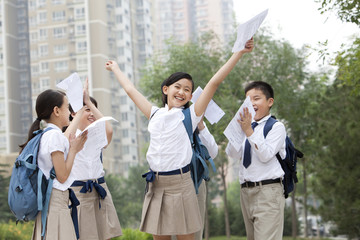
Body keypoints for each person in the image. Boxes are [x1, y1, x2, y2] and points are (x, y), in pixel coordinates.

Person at [105, 38, 254, 240]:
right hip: (156, 183)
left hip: (181, 183)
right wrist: (115, 69)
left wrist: (239, 53)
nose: (182, 91)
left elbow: (214, 82)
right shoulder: (154, 114)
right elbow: (131, 90)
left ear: (191, 96)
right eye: (178, 86)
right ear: (166, 89)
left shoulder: (190, 116)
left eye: (187, 89)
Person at [225, 81, 286, 240]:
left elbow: (266, 155)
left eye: (256, 98)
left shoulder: (276, 127)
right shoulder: (247, 127)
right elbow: (232, 153)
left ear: (269, 101)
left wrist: (248, 131)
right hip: (246, 192)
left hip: (267, 191)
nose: (252, 103)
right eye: (248, 100)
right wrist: (237, 130)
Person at [29, 89, 88, 240]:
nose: (69, 112)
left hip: (49, 204)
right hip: (55, 204)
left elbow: (65, 138)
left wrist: (81, 111)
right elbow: (62, 176)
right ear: (56, 110)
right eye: (67, 107)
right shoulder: (54, 136)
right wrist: (74, 150)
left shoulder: (46, 134)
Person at [68, 79, 122, 240]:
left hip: (99, 188)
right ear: (73, 113)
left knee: (105, 234)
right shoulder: (68, 136)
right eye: (86, 110)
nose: (91, 113)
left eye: (93, 109)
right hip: (78, 191)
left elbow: (109, 129)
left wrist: (87, 101)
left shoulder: (97, 133)